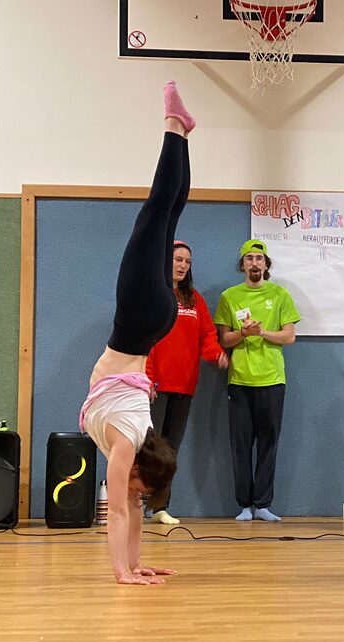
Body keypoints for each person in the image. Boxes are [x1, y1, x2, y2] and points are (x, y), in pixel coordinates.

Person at [78, 81, 195, 584]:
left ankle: (183, 135)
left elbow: (129, 511)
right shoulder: (127, 444)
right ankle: (173, 128)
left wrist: (135, 565)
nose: (138, 493)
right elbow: (122, 514)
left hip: (154, 322)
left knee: (166, 216)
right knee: (153, 214)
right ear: (141, 467)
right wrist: (121, 574)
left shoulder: (133, 446)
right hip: (142, 318)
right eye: (145, 487)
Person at [214, 239, 300, 522]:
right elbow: (224, 339)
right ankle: (244, 506)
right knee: (240, 444)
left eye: (259, 259)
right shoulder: (229, 296)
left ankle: (262, 504)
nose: (254, 263)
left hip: (272, 380)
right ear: (243, 265)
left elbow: (289, 336)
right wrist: (243, 334)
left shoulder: (280, 295)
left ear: (266, 264)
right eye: (249, 258)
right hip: (239, 381)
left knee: (268, 442)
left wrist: (261, 333)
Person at [144, 240, 229, 525]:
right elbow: (147, 340)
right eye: (177, 259)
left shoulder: (194, 300)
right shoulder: (153, 295)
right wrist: (148, 378)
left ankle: (159, 508)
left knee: (170, 450)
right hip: (155, 387)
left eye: (187, 262)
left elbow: (207, 336)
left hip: (184, 387)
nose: (182, 266)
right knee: (147, 448)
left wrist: (216, 355)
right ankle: (136, 503)